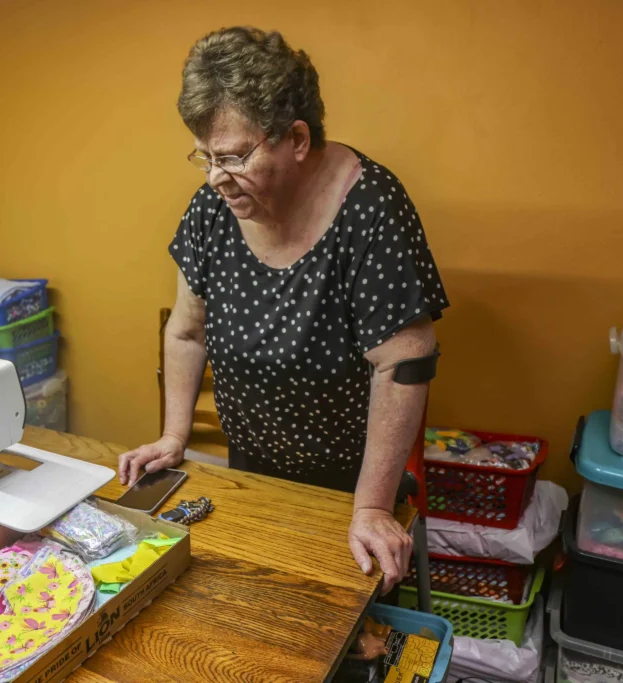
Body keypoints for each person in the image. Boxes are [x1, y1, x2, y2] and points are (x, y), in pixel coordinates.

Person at [118, 27, 449, 591]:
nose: (215, 177)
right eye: (204, 157)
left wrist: (370, 507)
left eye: (234, 157)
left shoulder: (371, 208)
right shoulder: (214, 208)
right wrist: (175, 437)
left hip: (352, 478)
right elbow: (187, 332)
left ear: (296, 138)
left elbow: (404, 362)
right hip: (254, 466)